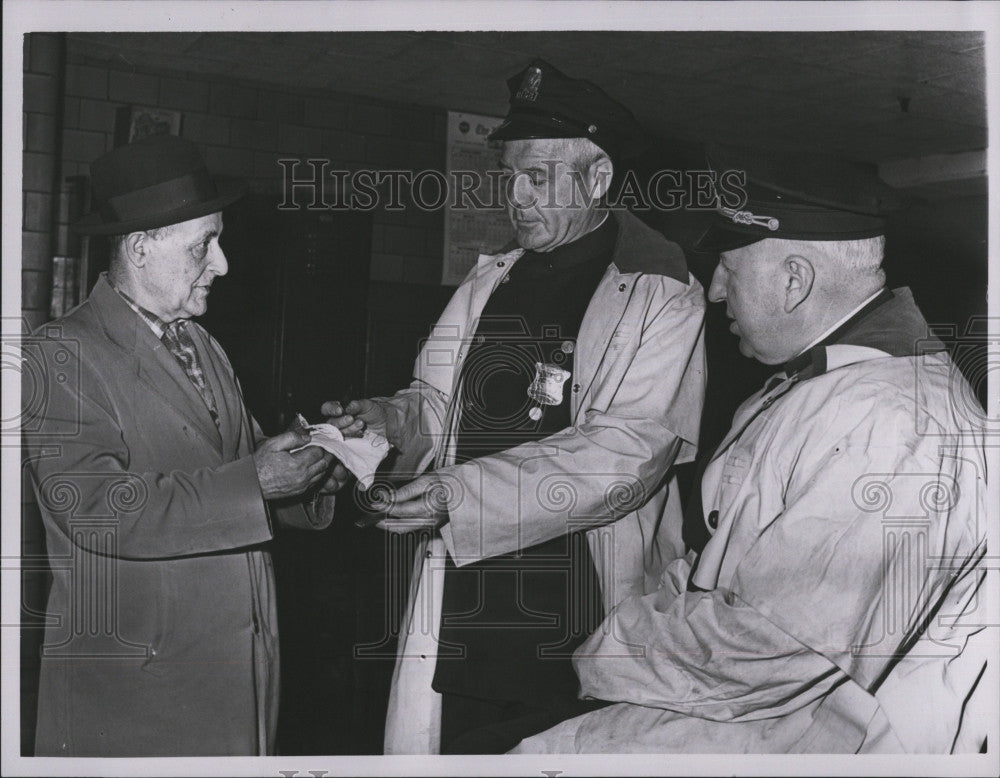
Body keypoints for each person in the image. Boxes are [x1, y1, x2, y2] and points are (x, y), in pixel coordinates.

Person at [510, 145, 989, 754]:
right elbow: (718, 555)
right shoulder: (824, 383)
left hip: (806, 736)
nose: (713, 291)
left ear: (795, 281)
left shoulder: (891, 420)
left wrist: (598, 652)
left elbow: (775, 647)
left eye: (730, 270)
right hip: (748, 709)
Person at [324, 59, 706, 754]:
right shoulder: (491, 277)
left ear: (597, 178)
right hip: (473, 599)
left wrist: (459, 496)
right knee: (461, 746)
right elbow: (436, 401)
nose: (515, 197)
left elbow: (629, 452)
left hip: (575, 606)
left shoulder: (661, 288)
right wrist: (387, 422)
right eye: (509, 176)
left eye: (537, 177)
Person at [21, 133, 349, 756]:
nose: (223, 263)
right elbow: (96, 507)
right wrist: (257, 483)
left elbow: (244, 462)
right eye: (204, 244)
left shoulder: (201, 345)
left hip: (237, 668)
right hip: (139, 694)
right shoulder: (60, 352)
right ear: (141, 250)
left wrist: (315, 471)